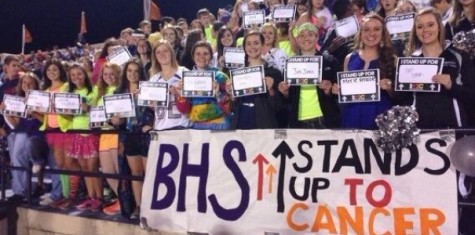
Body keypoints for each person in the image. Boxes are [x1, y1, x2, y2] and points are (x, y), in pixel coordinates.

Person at [408, 8, 475, 234]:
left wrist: (451, 85)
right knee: (426, 186)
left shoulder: (457, 56)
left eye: (430, 25)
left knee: (457, 189)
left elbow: (472, 95)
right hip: (423, 133)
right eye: (420, 26)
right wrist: (391, 88)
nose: (425, 30)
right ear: (415, 31)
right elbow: (407, 98)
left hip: (453, 131)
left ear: (439, 27)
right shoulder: (411, 60)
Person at [334, 13, 397, 129]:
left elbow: (400, 97)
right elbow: (345, 93)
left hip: (381, 117)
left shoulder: (392, 59)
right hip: (352, 116)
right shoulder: (349, 58)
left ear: (383, 33)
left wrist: (389, 87)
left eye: (377, 29)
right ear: (360, 33)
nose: (371, 33)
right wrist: (339, 89)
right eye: (366, 29)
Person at [111, 59, 154, 219]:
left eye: (136, 71)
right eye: (129, 70)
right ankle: (139, 206)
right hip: (129, 136)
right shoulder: (118, 92)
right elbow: (116, 119)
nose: (133, 74)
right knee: (135, 173)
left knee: (149, 173)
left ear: (141, 73)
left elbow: (156, 111)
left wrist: (150, 122)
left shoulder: (148, 89)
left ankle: (151, 207)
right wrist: (117, 121)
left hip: (145, 136)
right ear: (125, 73)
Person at [278, 23, 341, 128]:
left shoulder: (330, 61)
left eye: (310, 34)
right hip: (298, 120)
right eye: (302, 35)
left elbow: (338, 94)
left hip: (325, 118)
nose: (306, 38)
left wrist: (329, 90)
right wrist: (285, 92)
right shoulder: (290, 64)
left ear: (316, 37)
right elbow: (287, 99)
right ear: (297, 40)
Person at [61, 64, 101, 211]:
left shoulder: (95, 90)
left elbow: (100, 111)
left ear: (85, 75)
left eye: (79, 74)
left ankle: (99, 198)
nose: (76, 77)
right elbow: (69, 116)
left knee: (93, 168)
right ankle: (91, 197)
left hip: (91, 132)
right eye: (73, 75)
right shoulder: (69, 93)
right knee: (84, 168)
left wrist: (89, 108)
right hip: (76, 132)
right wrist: (64, 112)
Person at [2, 72, 48, 202]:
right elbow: (15, 125)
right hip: (20, 132)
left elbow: (46, 120)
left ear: (36, 84)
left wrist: (33, 112)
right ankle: (20, 190)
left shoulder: (41, 98)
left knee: (20, 157)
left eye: (30, 83)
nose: (26, 85)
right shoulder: (17, 99)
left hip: (37, 134)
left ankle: (23, 190)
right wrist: (5, 112)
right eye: (24, 83)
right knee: (16, 158)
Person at [230, 31, 284, 129]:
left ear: (263, 46)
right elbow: (233, 108)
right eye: (248, 44)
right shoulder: (238, 75)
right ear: (245, 48)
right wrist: (232, 96)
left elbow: (280, 107)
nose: (252, 47)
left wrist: (271, 90)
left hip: (264, 126)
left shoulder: (274, 73)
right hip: (241, 124)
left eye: (256, 43)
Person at [176, 41, 232, 130]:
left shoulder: (220, 77)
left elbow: (229, 108)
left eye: (205, 53)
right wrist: (180, 95)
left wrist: (218, 95)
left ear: (210, 56)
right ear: (193, 56)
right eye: (198, 54)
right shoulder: (187, 79)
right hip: (197, 126)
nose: (201, 57)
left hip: (219, 124)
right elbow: (184, 110)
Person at [38, 60, 70, 207]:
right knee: (58, 165)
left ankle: (68, 195)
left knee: (65, 165)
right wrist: (33, 110)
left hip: (64, 129)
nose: (51, 72)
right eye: (49, 70)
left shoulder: (66, 86)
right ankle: (60, 194)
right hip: (50, 130)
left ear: (60, 71)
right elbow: (45, 114)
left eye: (54, 69)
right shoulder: (45, 90)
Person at [96, 63, 122, 215]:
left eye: (112, 74)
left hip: (115, 134)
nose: (108, 77)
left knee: (119, 172)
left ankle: (126, 201)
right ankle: (121, 199)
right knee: (108, 172)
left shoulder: (120, 91)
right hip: (104, 135)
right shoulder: (102, 92)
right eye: (105, 74)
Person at [149, 40, 192, 130]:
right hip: (160, 128)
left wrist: (180, 94)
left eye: (165, 51)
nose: (162, 54)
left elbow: (193, 98)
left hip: (182, 126)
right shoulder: (153, 79)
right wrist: (145, 100)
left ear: (171, 53)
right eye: (158, 52)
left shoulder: (184, 72)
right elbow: (154, 107)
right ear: (155, 56)